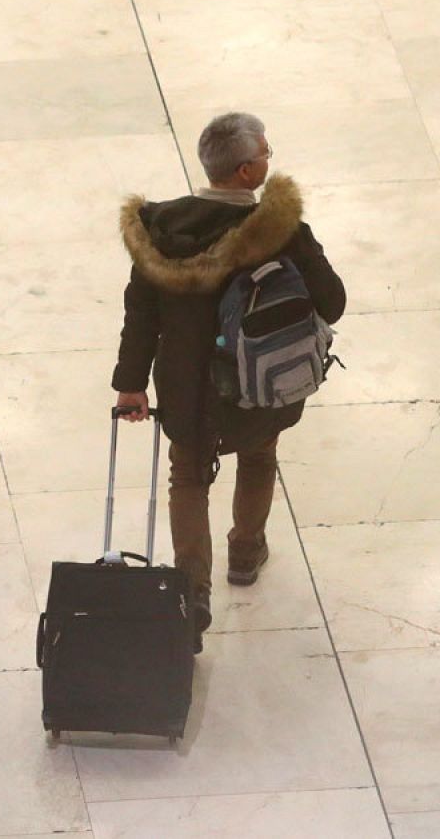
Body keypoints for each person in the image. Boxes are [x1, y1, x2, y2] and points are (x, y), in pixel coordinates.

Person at [113, 112, 344, 650]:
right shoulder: (280, 230)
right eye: (265, 151)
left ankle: (192, 591)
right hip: (257, 385)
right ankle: (246, 551)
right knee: (260, 455)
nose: (269, 156)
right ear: (245, 172)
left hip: (187, 387)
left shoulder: (159, 231)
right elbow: (333, 301)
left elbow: (140, 313)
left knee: (188, 478)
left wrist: (131, 383)